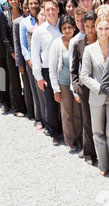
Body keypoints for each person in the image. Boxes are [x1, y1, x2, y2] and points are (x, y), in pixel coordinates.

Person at [80, 15, 109, 174]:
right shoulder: (89, 50)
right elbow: (84, 76)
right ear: (95, 30)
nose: (103, 32)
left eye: (106, 28)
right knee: (98, 132)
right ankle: (103, 165)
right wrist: (101, 88)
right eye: (100, 28)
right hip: (96, 97)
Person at [31, 0, 62, 145]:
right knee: (50, 103)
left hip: (64, 68)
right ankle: (54, 132)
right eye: (47, 9)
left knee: (65, 101)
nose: (50, 12)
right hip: (47, 69)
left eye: (53, 9)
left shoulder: (64, 26)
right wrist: (38, 76)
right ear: (44, 10)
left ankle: (66, 131)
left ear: (57, 9)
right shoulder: (39, 31)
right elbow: (35, 54)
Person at [49, 14, 82, 149]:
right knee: (66, 113)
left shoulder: (78, 41)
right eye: (64, 28)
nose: (67, 30)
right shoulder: (57, 43)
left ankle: (80, 138)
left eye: (70, 27)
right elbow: (52, 67)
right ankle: (70, 140)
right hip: (63, 83)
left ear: (74, 27)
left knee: (78, 113)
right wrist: (56, 89)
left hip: (76, 83)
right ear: (61, 29)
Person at [71, 10, 97, 164]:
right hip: (84, 89)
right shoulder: (78, 44)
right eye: (87, 26)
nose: (90, 29)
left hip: (100, 87)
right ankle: (89, 154)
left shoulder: (102, 43)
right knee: (87, 121)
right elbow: (74, 70)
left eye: (93, 26)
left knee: (100, 121)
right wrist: (75, 87)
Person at [20, 0, 45, 129]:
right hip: (31, 62)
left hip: (45, 62)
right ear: (28, 6)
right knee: (35, 92)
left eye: (36, 3)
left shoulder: (44, 18)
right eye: (31, 3)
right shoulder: (24, 23)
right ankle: (39, 118)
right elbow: (23, 45)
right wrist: (29, 60)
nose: (34, 5)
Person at [0, 0, 27, 116]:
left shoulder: (24, 12)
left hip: (25, 50)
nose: (14, 1)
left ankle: (27, 104)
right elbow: (4, 36)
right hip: (11, 52)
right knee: (13, 79)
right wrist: (12, 52)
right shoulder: (5, 15)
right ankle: (17, 108)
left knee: (26, 79)